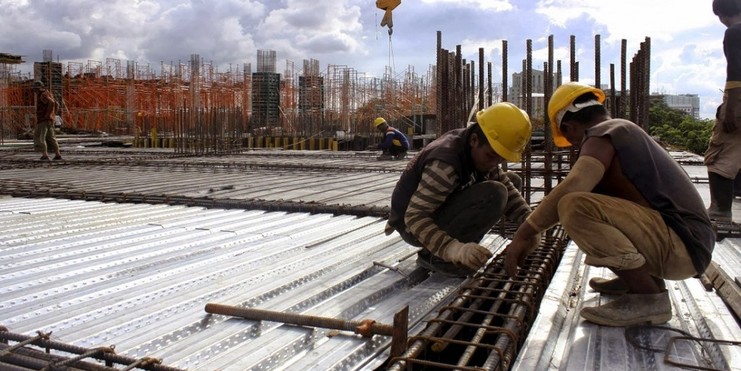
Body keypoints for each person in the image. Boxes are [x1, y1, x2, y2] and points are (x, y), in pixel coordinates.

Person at [504, 82, 715, 327]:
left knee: (574, 206)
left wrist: (524, 233)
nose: (575, 146)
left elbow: (573, 187)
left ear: (570, 126)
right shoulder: (623, 132)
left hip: (682, 245)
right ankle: (638, 280)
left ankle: (647, 296)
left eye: (569, 138)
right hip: (688, 244)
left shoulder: (604, 133)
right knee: (590, 203)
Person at [385, 102, 536, 277]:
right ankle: (436, 257)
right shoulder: (445, 165)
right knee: (495, 193)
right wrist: (454, 249)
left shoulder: (477, 148)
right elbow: (414, 217)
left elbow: (509, 189)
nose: (495, 163)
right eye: (491, 156)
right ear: (474, 141)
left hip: (435, 210)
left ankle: (457, 246)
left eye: (500, 158)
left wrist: (532, 226)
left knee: (510, 182)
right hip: (413, 226)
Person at [705, 0, 741, 222]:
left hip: (739, 99)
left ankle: (719, 211)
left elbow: (736, 70)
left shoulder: (734, 33)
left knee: (720, 153)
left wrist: (730, 111)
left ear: (719, 14)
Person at [32, 80, 63, 161]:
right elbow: (57, 104)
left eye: (35, 89)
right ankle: (57, 155)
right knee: (51, 138)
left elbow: (52, 103)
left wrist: (47, 115)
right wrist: (53, 115)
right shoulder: (47, 93)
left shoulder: (42, 94)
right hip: (49, 120)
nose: (34, 91)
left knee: (40, 137)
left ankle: (45, 155)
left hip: (43, 120)